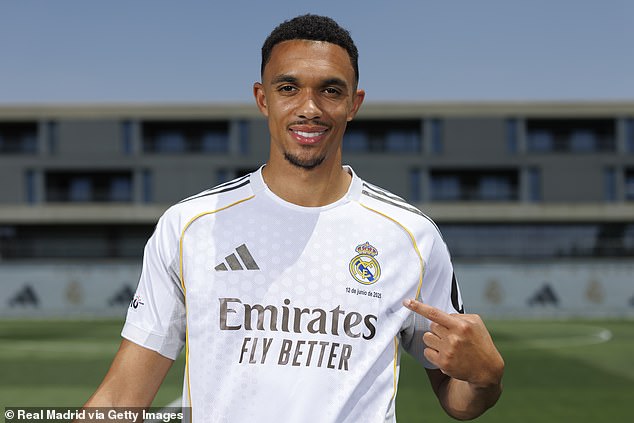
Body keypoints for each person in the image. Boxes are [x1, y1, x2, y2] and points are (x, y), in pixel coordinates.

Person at [83, 14, 504, 422]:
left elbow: (457, 397)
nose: (310, 108)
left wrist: (486, 378)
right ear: (262, 99)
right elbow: (122, 398)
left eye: (330, 91)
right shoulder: (191, 226)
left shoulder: (410, 236)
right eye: (288, 88)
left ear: (354, 104)